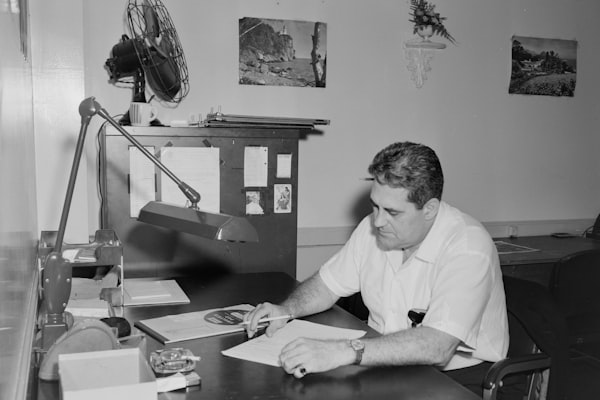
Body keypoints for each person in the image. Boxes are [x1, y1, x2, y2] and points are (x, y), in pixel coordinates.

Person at [244, 141, 509, 396]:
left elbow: (438, 347)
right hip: (387, 363)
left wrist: (342, 351)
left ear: (429, 209)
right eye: (375, 205)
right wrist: (287, 310)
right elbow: (327, 285)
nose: (378, 221)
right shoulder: (374, 227)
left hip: (458, 379)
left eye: (392, 212)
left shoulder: (467, 245)